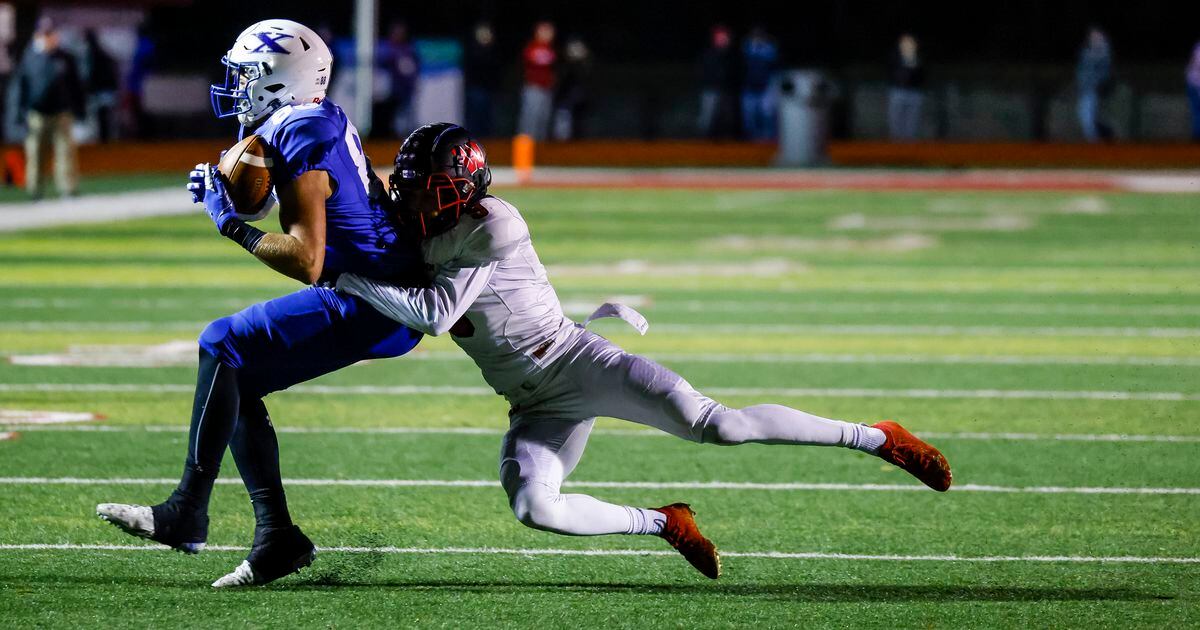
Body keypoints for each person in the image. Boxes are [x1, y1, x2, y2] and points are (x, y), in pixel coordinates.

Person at [334, 123, 954, 579]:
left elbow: (438, 314)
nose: (416, 201)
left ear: (466, 187)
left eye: (430, 189)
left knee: (721, 428)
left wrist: (340, 276)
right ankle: (664, 522)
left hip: (580, 361)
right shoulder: (418, 227)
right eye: (411, 188)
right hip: (532, 400)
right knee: (534, 508)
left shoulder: (495, 222)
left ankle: (879, 437)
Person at [96, 19, 425, 588]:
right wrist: (244, 189)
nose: (236, 83)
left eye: (247, 73)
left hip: (373, 299)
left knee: (223, 343)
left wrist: (228, 221)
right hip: (370, 285)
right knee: (236, 377)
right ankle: (277, 537)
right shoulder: (309, 118)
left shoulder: (303, 130)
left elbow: (306, 260)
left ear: (281, 79)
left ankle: (187, 512)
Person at [13, 19, 84, 199]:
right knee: (35, 153)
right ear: (37, 36)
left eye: (51, 34)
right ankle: (35, 191)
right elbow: (21, 87)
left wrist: (80, 110)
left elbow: (76, 86)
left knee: (65, 152)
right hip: (37, 114)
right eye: (44, 34)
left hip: (61, 113)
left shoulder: (65, 57)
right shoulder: (30, 57)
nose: (48, 38)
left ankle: (68, 190)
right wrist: (19, 114)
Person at [377, 21, 420, 137]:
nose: (398, 34)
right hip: (391, 94)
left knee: (407, 121)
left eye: (401, 32)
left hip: (406, 92)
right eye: (396, 32)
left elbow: (413, 70)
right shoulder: (387, 49)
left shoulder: (408, 50)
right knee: (392, 121)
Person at [517, 21, 556, 140]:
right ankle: (524, 152)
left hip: (546, 89)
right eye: (544, 31)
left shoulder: (552, 49)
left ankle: (540, 150)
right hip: (533, 88)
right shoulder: (531, 47)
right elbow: (537, 60)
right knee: (530, 120)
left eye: (549, 31)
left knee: (543, 119)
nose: (547, 34)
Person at [697, 24, 737, 139]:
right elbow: (703, 70)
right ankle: (704, 141)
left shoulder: (731, 55)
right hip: (710, 89)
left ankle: (728, 142)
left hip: (727, 90)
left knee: (727, 118)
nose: (723, 40)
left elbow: (734, 72)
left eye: (725, 37)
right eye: (720, 37)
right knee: (707, 117)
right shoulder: (708, 53)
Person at [81, 29, 119, 143]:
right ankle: (105, 139)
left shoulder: (92, 54)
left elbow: (90, 75)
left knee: (102, 118)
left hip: (100, 92)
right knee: (104, 118)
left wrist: (88, 89)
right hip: (106, 91)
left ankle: (104, 140)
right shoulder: (103, 53)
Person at [464, 22, 501, 137]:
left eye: (487, 34)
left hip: (490, 91)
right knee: (474, 120)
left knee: (488, 121)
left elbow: (496, 71)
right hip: (475, 90)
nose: (485, 37)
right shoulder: (473, 50)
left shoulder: (494, 51)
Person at [1076, 27, 1113, 143]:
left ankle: (1095, 142)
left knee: (1087, 117)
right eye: (1092, 37)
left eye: (1097, 37)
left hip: (1095, 91)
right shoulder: (1086, 52)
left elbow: (1104, 73)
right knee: (1085, 116)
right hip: (1084, 89)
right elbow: (1080, 71)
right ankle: (1096, 140)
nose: (1094, 39)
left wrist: (1096, 85)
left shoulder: (1103, 54)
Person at [740, 27, 778, 141]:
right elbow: (741, 67)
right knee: (749, 116)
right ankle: (751, 139)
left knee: (767, 114)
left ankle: (768, 138)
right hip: (749, 87)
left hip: (766, 87)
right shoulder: (746, 49)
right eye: (755, 36)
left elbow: (776, 66)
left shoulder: (770, 50)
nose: (758, 39)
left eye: (760, 36)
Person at [552, 36, 591, 141]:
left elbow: (588, 81)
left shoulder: (586, 64)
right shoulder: (562, 63)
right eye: (573, 49)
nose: (576, 52)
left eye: (578, 49)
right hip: (564, 101)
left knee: (579, 125)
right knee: (562, 125)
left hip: (580, 101)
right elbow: (560, 81)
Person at [887, 33, 925, 141]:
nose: (908, 45)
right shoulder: (894, 58)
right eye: (905, 43)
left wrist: (913, 63)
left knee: (912, 121)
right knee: (896, 121)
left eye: (910, 43)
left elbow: (922, 76)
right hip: (898, 92)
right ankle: (896, 145)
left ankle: (910, 145)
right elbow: (891, 74)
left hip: (914, 92)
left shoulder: (919, 59)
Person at [1186, 40, 1200, 142]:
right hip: (1195, 83)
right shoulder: (1198, 48)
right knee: (1197, 111)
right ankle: (1197, 136)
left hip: (1194, 82)